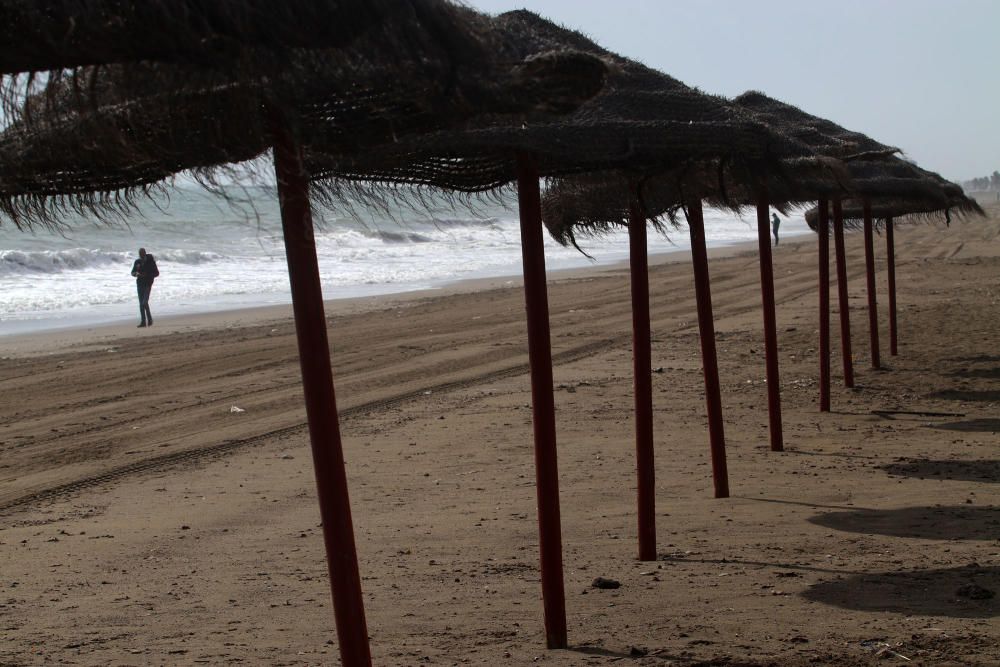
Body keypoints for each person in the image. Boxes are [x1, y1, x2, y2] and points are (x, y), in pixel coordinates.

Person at [130, 247, 159, 327]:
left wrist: (147, 275)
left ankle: (149, 319)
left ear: (145, 253)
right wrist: (136, 274)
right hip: (139, 284)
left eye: (142, 254)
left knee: (144, 302)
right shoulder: (137, 262)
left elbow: (157, 273)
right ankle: (143, 322)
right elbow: (132, 272)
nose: (141, 255)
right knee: (141, 304)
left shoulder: (151, 262)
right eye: (140, 254)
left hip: (148, 284)